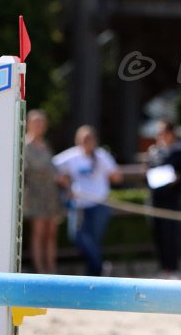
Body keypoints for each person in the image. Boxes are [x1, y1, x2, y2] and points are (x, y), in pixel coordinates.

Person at [53, 125, 123, 276]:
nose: (87, 142)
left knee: (95, 239)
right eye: (84, 139)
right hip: (79, 204)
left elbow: (117, 176)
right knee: (77, 236)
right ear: (77, 141)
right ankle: (100, 268)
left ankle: (94, 276)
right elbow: (52, 167)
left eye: (90, 139)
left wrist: (107, 174)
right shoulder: (71, 157)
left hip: (99, 203)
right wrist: (65, 180)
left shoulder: (102, 156)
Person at [145, 120, 181, 279]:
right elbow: (147, 174)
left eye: (163, 132)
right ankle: (163, 268)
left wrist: (177, 178)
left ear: (172, 134)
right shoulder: (153, 152)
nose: (160, 136)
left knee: (172, 236)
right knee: (158, 236)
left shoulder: (180, 153)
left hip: (173, 201)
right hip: (156, 200)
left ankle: (173, 269)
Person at [22, 109, 61, 274]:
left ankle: (51, 269)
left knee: (51, 233)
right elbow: (30, 170)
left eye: (42, 123)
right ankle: (40, 270)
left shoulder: (45, 145)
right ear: (28, 124)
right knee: (38, 233)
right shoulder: (25, 146)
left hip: (50, 195)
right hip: (35, 195)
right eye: (36, 122)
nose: (39, 126)